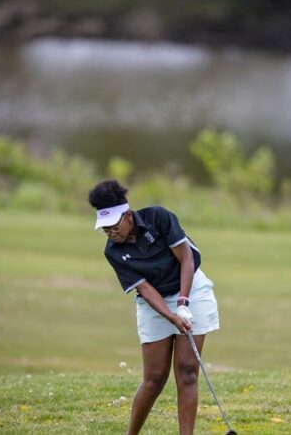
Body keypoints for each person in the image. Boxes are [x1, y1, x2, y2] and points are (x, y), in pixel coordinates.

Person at [88, 179, 220, 435]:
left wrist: (182, 302)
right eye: (104, 229)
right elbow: (146, 289)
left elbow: (186, 259)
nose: (110, 232)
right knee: (154, 378)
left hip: (191, 288)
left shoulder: (158, 218)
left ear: (127, 216)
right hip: (155, 303)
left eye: (113, 226)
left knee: (187, 371)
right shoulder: (113, 252)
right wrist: (172, 315)